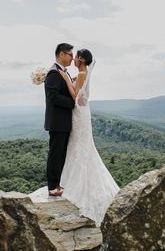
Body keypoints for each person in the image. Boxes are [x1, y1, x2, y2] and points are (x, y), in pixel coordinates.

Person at [58, 49, 120, 227]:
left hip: (80, 114)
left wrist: (64, 78)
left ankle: (78, 186)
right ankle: (70, 180)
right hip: (79, 113)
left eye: (76, 57)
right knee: (77, 146)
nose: (74, 59)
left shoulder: (83, 73)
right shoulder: (81, 73)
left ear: (82, 60)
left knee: (81, 147)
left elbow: (74, 94)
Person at [44, 43, 75, 196]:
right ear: (62, 54)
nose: (72, 58)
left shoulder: (63, 72)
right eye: (70, 54)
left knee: (61, 154)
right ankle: (52, 186)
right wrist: (72, 103)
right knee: (55, 154)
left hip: (63, 121)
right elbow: (53, 96)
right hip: (57, 121)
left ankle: (58, 184)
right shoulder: (54, 73)